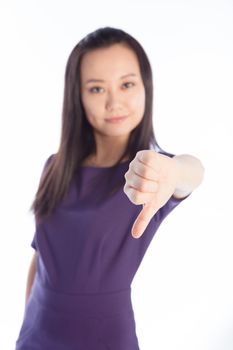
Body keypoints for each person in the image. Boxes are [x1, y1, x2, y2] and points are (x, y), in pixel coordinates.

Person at [15, 26, 204, 350]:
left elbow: (191, 172)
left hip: (105, 337)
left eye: (126, 84)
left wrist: (174, 170)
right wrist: (25, 321)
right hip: (37, 333)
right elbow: (40, 257)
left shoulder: (148, 174)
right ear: (78, 96)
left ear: (145, 86)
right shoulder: (55, 166)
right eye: (97, 89)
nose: (114, 101)